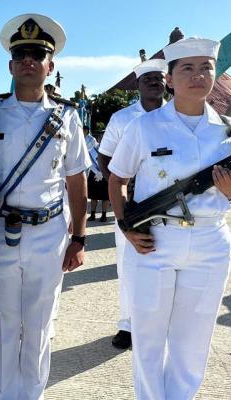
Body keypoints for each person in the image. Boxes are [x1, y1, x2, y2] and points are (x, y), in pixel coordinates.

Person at [108, 37, 231, 399]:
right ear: (170, 78)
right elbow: (117, 178)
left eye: (206, 67)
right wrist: (126, 226)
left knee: (194, 336)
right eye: (186, 68)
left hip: (210, 241)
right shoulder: (144, 127)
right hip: (155, 241)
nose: (198, 75)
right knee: (148, 335)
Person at [0, 14, 90, 399]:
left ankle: (31, 395)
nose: (28, 60)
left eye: (37, 54)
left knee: (40, 324)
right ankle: (0, 395)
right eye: (21, 54)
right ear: (11, 65)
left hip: (49, 233)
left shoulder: (67, 117)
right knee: (3, 324)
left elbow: (76, 180)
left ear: (51, 65)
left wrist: (79, 236)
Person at [98, 58, 168, 350]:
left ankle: (159, 325)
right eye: (147, 78)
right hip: (133, 204)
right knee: (128, 266)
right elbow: (104, 157)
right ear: (137, 84)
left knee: (167, 265)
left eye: (159, 77)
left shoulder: (180, 115)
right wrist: (121, 194)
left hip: (171, 204)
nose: (153, 81)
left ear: (168, 82)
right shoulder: (123, 119)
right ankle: (127, 325)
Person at [85, 127, 109, 222]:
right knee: (93, 196)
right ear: (98, 139)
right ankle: (93, 214)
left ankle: (104, 215)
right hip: (94, 174)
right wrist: (97, 172)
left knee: (105, 197)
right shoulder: (92, 149)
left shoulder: (111, 151)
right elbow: (89, 162)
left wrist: (102, 173)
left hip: (106, 174)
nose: (103, 139)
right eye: (101, 138)